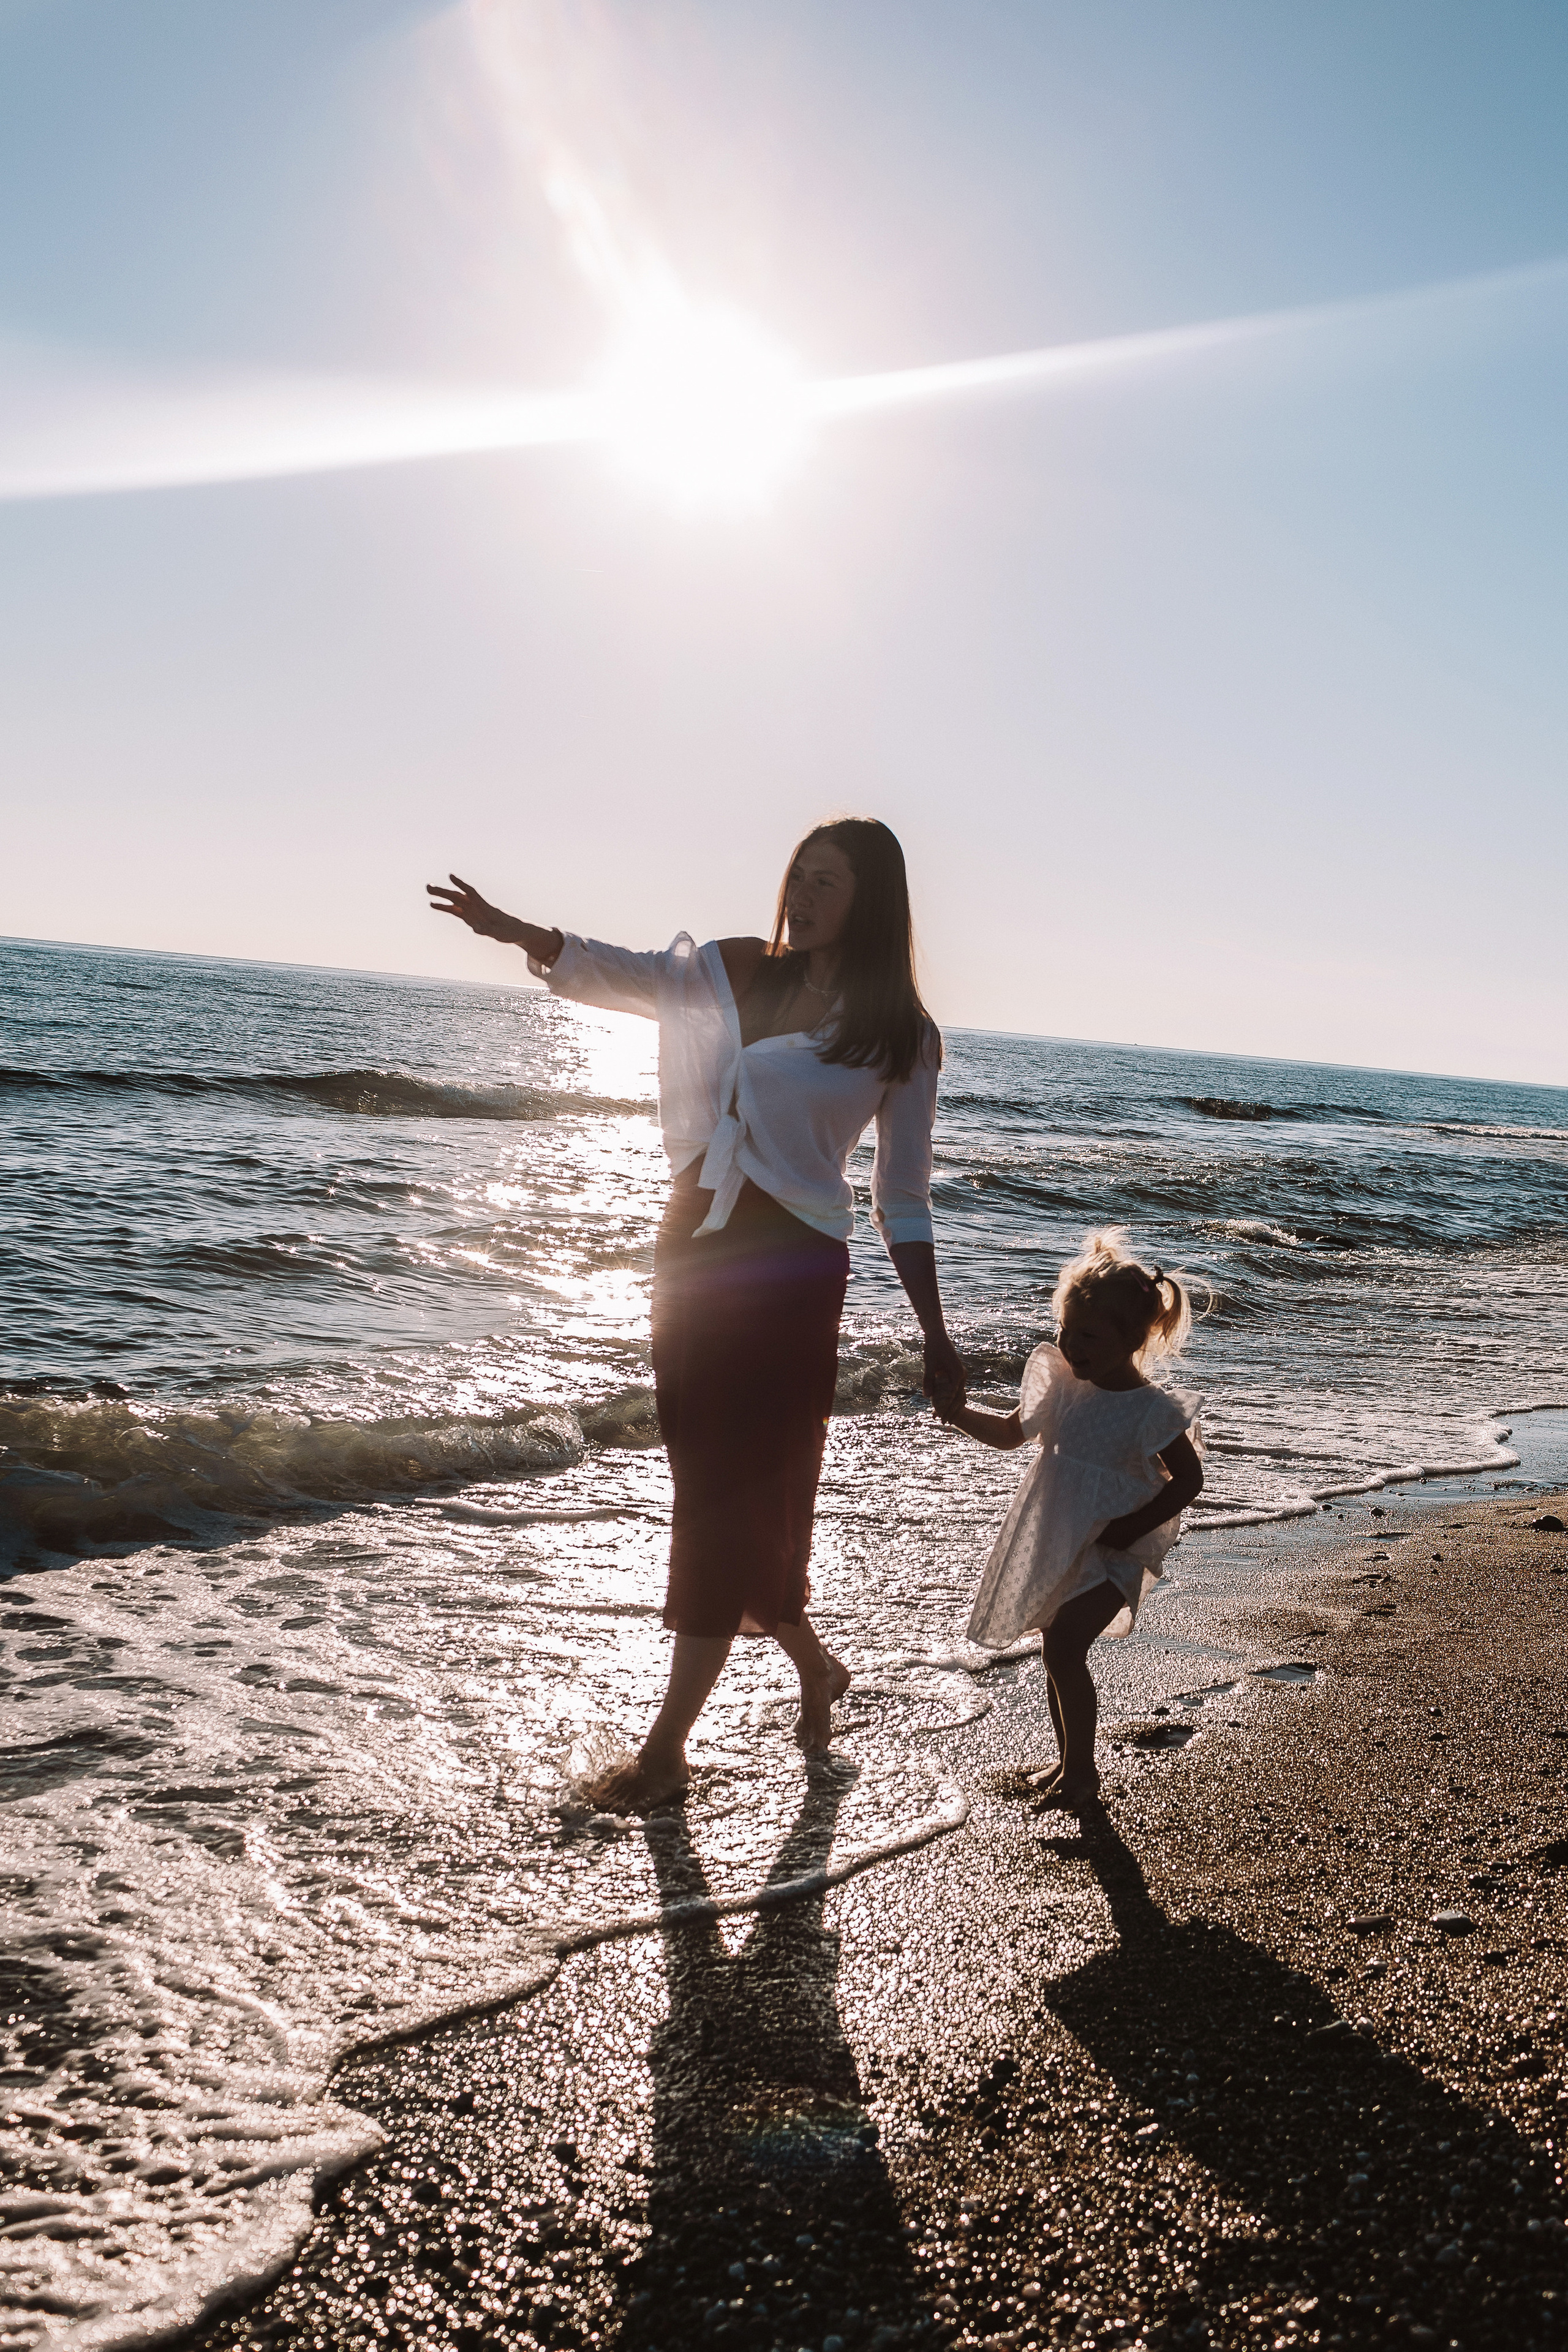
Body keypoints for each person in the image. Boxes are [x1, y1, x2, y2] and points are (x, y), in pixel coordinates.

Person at [427, 818, 963, 1811]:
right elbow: (624, 976)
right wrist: (518, 933)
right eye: (798, 874)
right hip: (692, 1248)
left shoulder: (901, 1036)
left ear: (873, 899)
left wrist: (935, 1333)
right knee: (708, 1484)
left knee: (719, 1498)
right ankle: (815, 1665)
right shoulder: (734, 969)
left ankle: (666, 1751)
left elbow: (905, 1197)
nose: (801, 894)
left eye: (828, 882)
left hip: (793, 1273)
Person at [937, 1228, 1204, 1811]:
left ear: (1131, 1338)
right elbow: (1011, 1435)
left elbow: (1189, 1480)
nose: (1071, 1344)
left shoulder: (1150, 1410)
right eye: (1065, 1330)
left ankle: (1082, 1774)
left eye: (1087, 1335)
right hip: (1057, 1533)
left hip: (1114, 1544)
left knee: (1063, 1648)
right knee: (1055, 1645)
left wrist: (1133, 1529)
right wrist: (957, 1413)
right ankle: (1069, 1764)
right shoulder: (1062, 1383)